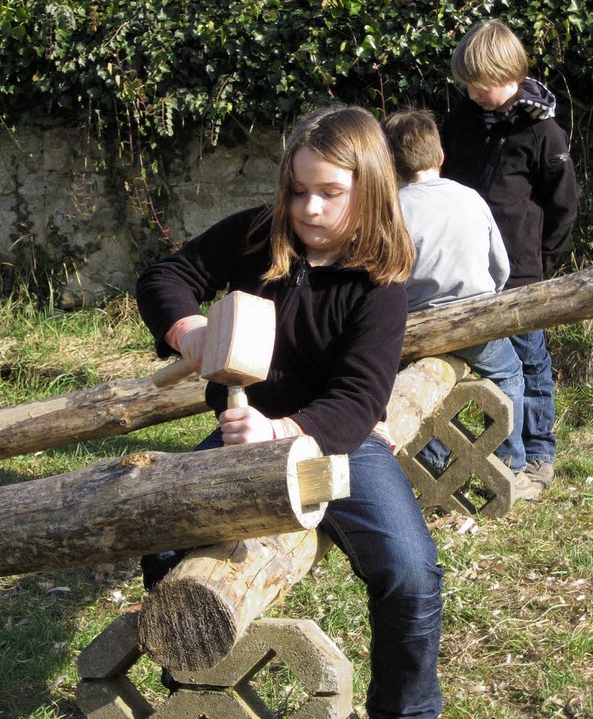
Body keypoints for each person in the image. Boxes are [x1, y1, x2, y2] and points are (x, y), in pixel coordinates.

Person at [136, 104, 444, 719]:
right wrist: (187, 327)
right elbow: (166, 275)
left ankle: (406, 711)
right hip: (238, 437)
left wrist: (281, 430)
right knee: (166, 543)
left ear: (371, 189)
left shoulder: (379, 285)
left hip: (338, 445)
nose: (310, 209)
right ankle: (195, 695)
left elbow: (358, 400)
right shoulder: (256, 234)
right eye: (299, 191)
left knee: (411, 574)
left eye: (331, 193)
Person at [442, 19, 581, 492]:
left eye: (484, 85)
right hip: (463, 267)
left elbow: (564, 206)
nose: (475, 93)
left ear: (513, 75)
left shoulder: (544, 132)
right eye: (468, 85)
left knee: (530, 363)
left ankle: (537, 454)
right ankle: (474, 452)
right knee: (473, 363)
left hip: (521, 274)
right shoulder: (460, 121)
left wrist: (539, 262)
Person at [381, 108, 534, 496]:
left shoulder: (391, 210)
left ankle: (429, 458)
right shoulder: (470, 198)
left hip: (415, 328)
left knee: (415, 386)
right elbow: (499, 266)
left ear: (388, 164)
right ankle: (510, 459)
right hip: (476, 321)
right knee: (510, 375)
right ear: (440, 156)